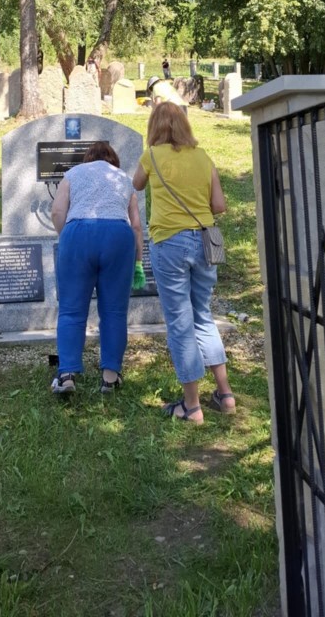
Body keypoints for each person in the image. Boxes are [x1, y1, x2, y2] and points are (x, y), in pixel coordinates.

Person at [133, 103, 235, 423]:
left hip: (169, 241)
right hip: (206, 241)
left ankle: (192, 406)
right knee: (203, 314)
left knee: (180, 321)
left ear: (155, 126)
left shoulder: (152, 156)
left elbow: (136, 184)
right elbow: (219, 205)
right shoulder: (203, 157)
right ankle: (225, 394)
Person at [50, 141, 144, 394]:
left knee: (71, 310)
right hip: (118, 236)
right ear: (114, 160)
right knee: (114, 311)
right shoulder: (123, 178)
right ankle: (110, 377)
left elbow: (57, 212)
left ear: (88, 159)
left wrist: (68, 236)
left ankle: (67, 375)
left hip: (78, 234)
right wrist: (138, 260)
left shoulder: (73, 174)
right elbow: (136, 225)